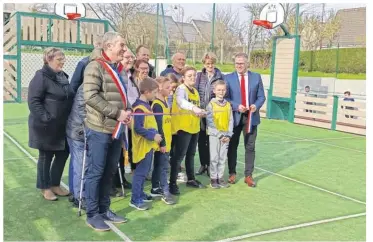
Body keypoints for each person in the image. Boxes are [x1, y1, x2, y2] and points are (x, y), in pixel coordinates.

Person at [83, 31, 131, 231]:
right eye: (122, 45)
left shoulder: (117, 68)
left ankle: (104, 209)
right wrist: (117, 113)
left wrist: (125, 112)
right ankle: (92, 213)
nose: (124, 49)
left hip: (115, 128)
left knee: (110, 170)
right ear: (109, 46)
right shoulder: (95, 66)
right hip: (99, 128)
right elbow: (91, 96)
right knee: (96, 171)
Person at [28, 47, 74, 201]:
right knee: (46, 156)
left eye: (63, 58)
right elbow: (34, 101)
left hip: (62, 125)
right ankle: (45, 187)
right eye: (59, 59)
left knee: (63, 153)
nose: (63, 61)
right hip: (45, 126)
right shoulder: (40, 77)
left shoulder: (62, 76)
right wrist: (46, 118)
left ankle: (55, 184)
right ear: (48, 59)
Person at [225, 52, 266, 187]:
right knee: (232, 146)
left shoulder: (256, 77)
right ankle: (232, 173)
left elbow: (261, 97)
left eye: (242, 63)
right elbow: (225, 98)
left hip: (251, 118)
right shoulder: (228, 78)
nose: (239, 66)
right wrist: (237, 106)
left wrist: (255, 105)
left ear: (247, 64)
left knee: (250, 147)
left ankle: (248, 175)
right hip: (235, 117)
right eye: (237, 63)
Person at [169, 66, 205, 195]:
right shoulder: (181, 89)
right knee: (178, 157)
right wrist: (193, 108)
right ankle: (172, 183)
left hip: (194, 128)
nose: (192, 78)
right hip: (182, 128)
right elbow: (181, 102)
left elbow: (195, 109)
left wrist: (200, 112)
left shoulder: (195, 91)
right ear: (183, 78)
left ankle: (191, 179)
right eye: (189, 76)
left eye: (194, 75)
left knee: (191, 155)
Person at [130, 77, 162, 210]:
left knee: (145, 170)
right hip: (142, 145)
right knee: (141, 172)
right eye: (154, 93)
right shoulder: (139, 108)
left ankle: (140, 193)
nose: (156, 95)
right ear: (147, 92)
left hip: (148, 145)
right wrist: (153, 135)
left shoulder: (146, 105)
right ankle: (135, 199)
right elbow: (138, 127)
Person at [195, 52, 224, 177]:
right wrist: (198, 109)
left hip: (213, 114)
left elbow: (222, 93)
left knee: (212, 140)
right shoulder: (199, 76)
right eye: (207, 63)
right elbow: (196, 92)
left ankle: (212, 166)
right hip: (201, 113)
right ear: (204, 64)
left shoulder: (220, 76)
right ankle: (203, 164)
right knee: (201, 140)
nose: (210, 65)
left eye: (212, 63)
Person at [149, 76, 177, 205]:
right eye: (167, 87)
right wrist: (163, 143)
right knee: (164, 167)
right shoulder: (157, 105)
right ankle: (166, 192)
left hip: (167, 141)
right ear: (159, 88)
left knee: (159, 165)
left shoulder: (165, 102)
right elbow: (159, 126)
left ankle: (155, 188)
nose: (170, 89)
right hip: (162, 142)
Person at [206, 80, 233, 189]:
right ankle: (213, 178)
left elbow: (231, 120)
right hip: (215, 136)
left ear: (226, 91)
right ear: (214, 91)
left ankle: (220, 177)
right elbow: (210, 121)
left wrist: (229, 135)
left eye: (223, 90)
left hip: (225, 136)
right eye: (219, 90)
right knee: (214, 157)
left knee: (222, 157)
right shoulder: (211, 104)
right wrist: (219, 135)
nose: (221, 92)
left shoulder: (228, 105)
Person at [66, 84, 87, 208]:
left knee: (78, 164)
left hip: (78, 130)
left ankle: (76, 194)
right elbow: (83, 112)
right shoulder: (85, 88)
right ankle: (79, 197)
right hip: (78, 131)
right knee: (81, 165)